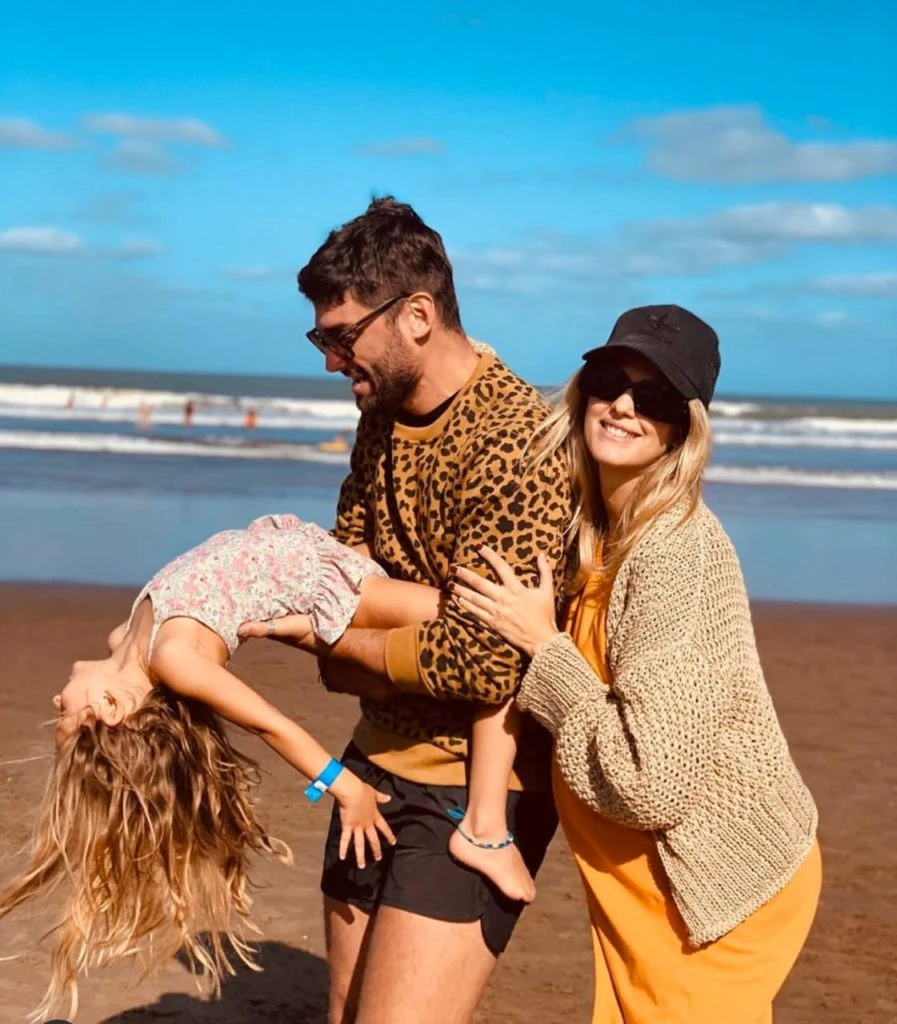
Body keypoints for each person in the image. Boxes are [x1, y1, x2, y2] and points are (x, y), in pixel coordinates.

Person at [242, 197, 571, 1024]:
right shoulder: (378, 417)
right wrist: (357, 628)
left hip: (478, 784)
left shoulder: (517, 441)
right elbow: (334, 579)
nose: (329, 360)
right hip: (371, 761)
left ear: (417, 315)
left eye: (341, 335)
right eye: (319, 338)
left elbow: (486, 662)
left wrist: (335, 640)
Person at [449, 305, 821, 1024]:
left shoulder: (672, 552)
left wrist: (544, 649)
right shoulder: (600, 530)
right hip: (647, 889)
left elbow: (652, 781)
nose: (622, 405)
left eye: (652, 397)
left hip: (710, 893)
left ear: (682, 429)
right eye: (608, 381)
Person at [0, 513, 438, 1020]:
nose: (57, 699)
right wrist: (345, 788)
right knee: (456, 615)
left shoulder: (124, 640)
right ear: (112, 708)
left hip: (288, 547)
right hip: (317, 577)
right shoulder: (173, 659)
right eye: (67, 715)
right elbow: (269, 725)